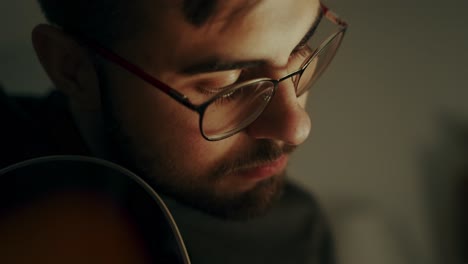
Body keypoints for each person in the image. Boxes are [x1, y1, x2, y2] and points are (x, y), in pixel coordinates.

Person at [0, 0, 347, 263]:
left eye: (301, 50)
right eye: (225, 84)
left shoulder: (298, 232)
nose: (297, 128)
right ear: (71, 68)